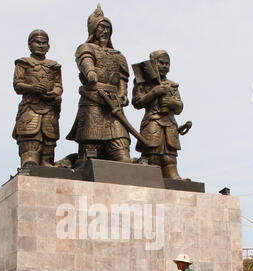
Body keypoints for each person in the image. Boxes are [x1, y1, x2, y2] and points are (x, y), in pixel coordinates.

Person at [66, 4, 131, 162]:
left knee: (122, 153)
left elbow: (123, 77)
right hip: (93, 100)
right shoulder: (86, 48)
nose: (105, 31)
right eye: (101, 27)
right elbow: (85, 60)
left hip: (113, 104)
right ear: (93, 29)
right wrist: (90, 71)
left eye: (108, 28)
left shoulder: (118, 55)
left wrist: (123, 94)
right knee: (89, 156)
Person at [12, 29, 63, 168]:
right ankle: (29, 162)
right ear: (30, 45)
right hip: (30, 107)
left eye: (44, 43)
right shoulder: (23, 63)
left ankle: (47, 162)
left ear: (48, 46)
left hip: (49, 108)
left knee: (49, 140)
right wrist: (32, 88)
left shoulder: (54, 66)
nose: (41, 45)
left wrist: (54, 93)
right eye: (37, 42)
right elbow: (17, 85)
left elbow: (59, 85)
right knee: (30, 139)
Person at [132, 50, 184, 179]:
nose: (164, 66)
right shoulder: (143, 82)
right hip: (152, 121)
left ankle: (173, 176)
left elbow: (179, 107)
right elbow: (137, 102)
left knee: (169, 155)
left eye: (167, 63)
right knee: (152, 155)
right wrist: (154, 92)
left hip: (170, 123)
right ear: (153, 63)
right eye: (161, 63)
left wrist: (171, 102)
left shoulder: (172, 85)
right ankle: (152, 178)